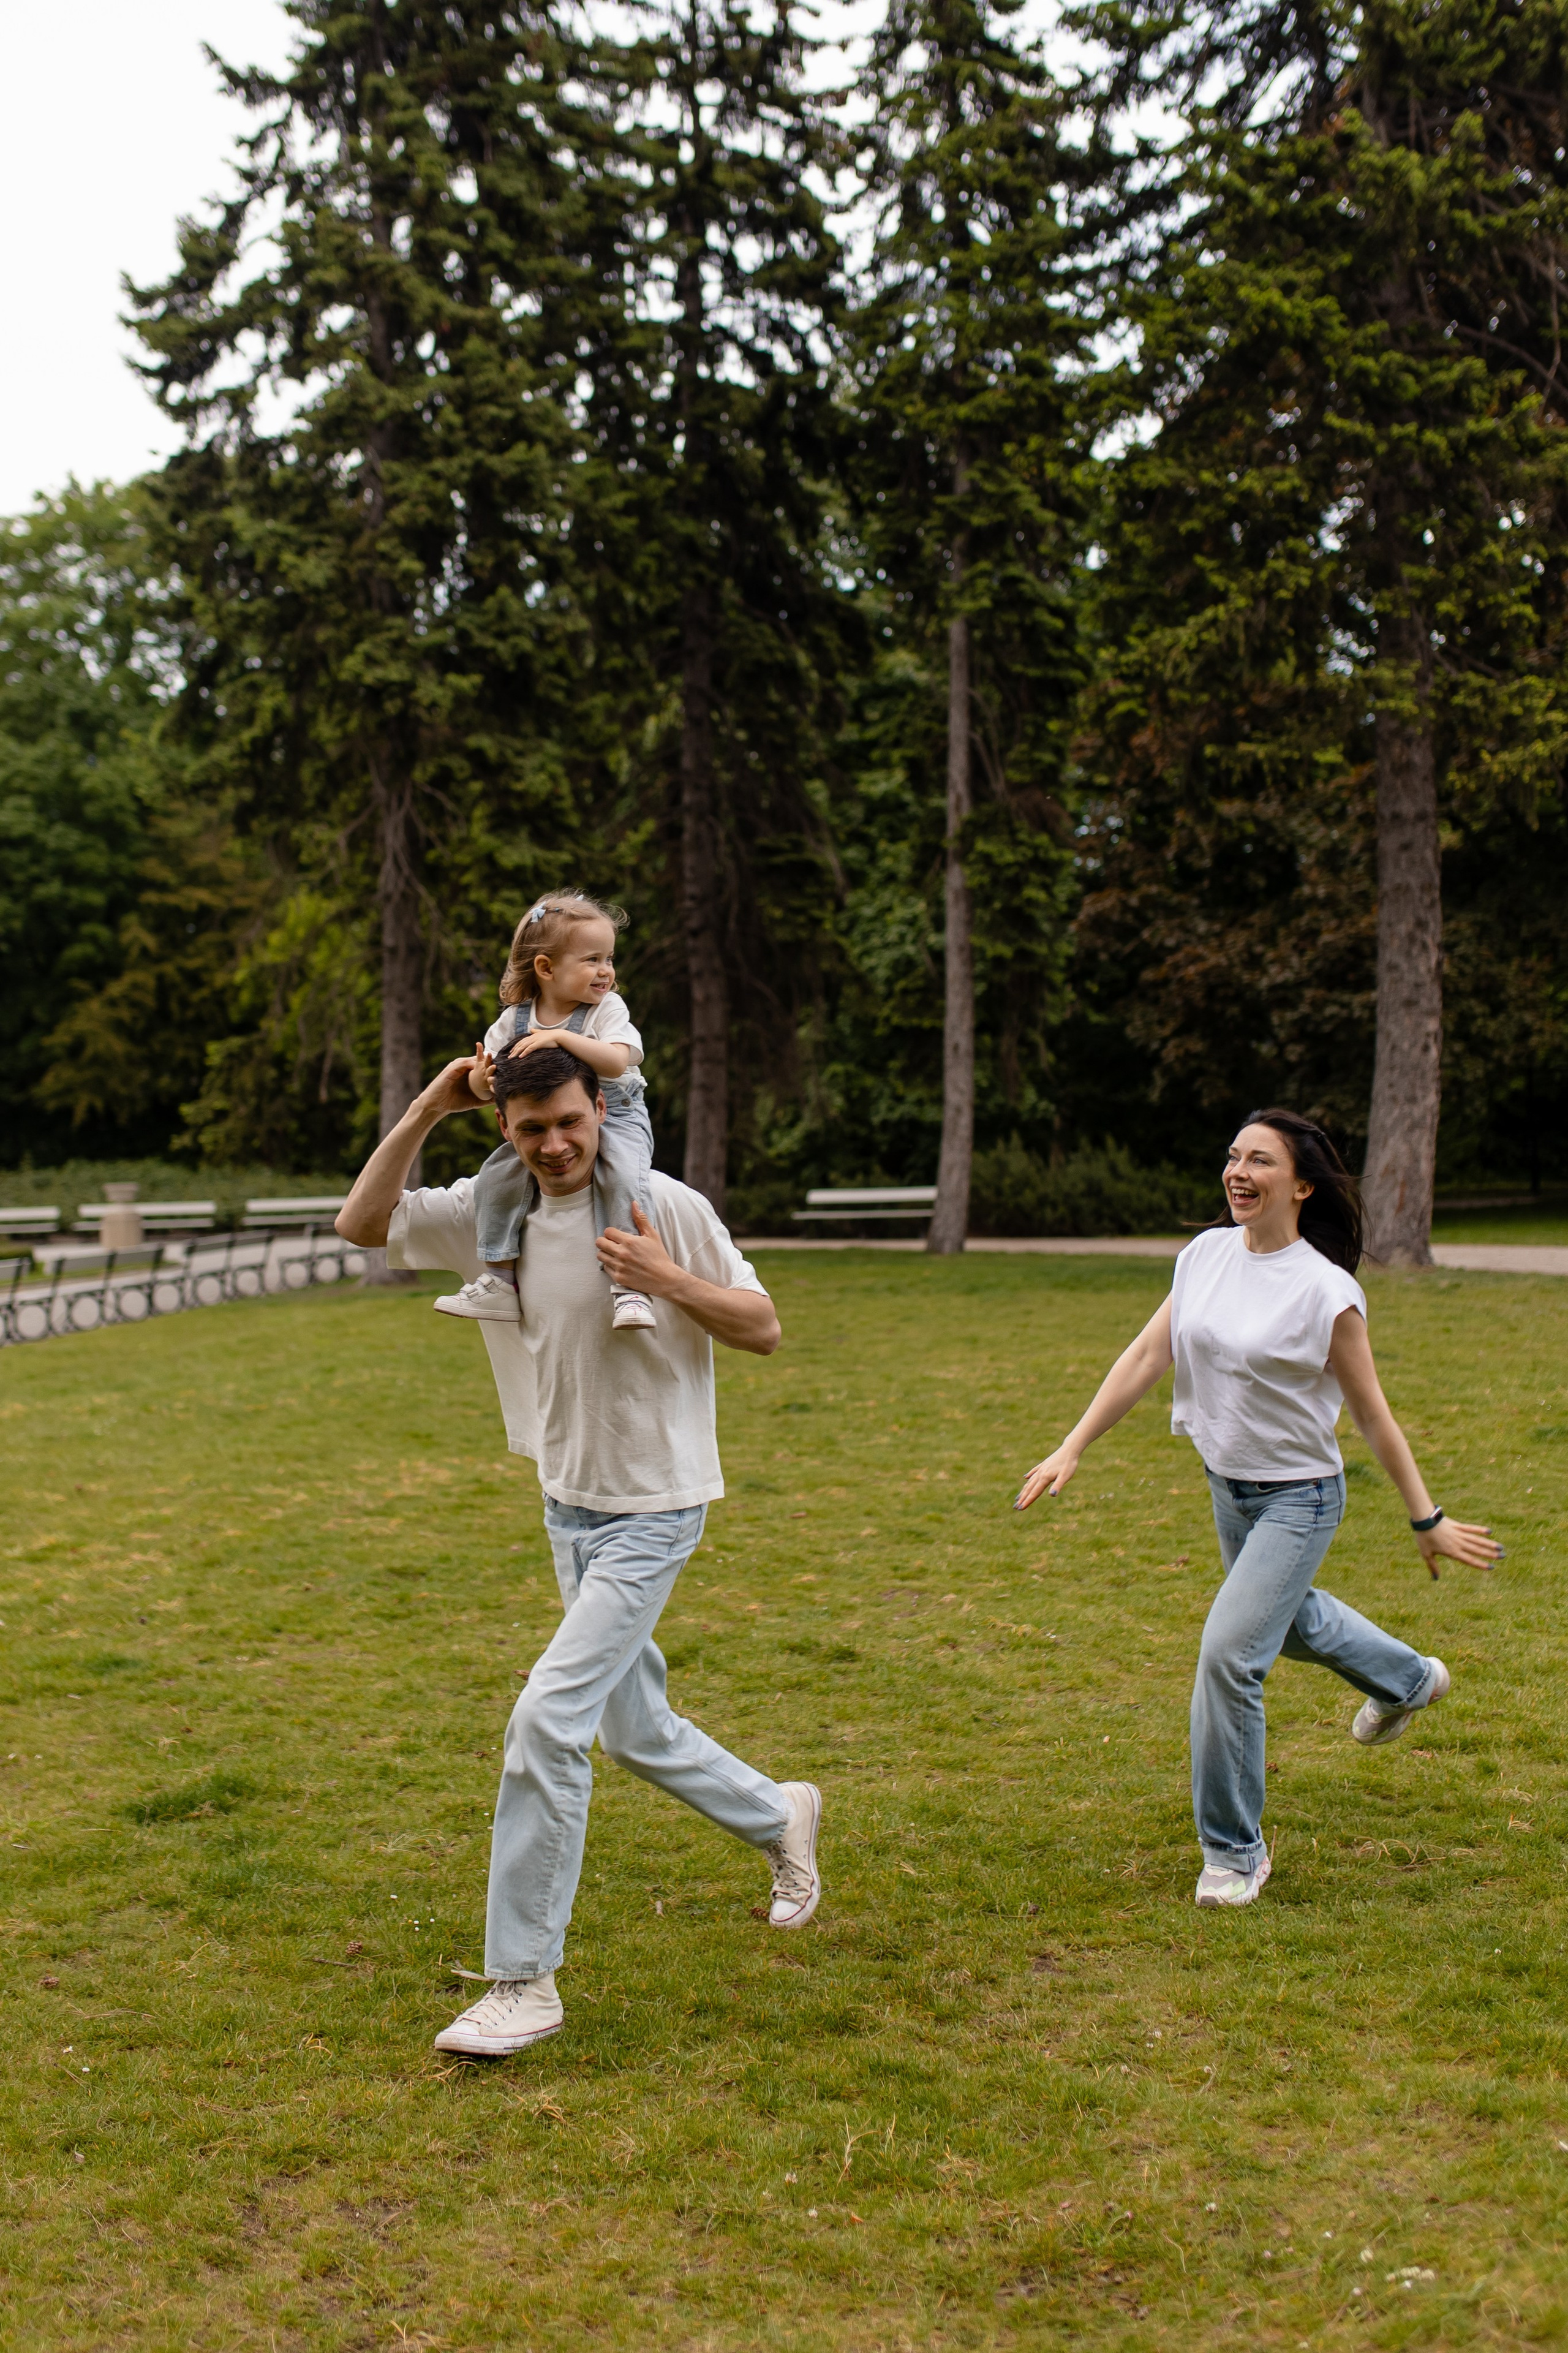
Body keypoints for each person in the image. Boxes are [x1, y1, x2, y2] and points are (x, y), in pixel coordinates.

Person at [335, 1043, 823, 2057]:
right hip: (569, 1508)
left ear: (598, 1105)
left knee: (547, 1718)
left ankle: (523, 1980)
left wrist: (666, 1278)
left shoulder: (663, 1205)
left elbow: (765, 1326)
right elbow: (361, 1223)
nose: (554, 1146)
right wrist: (432, 1099)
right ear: (507, 1131)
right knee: (632, 1730)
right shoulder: (490, 1215)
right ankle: (778, 1815)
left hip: (657, 1505)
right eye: (531, 1129)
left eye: (568, 1121)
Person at [1015, 1109, 1501, 1911]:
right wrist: (1074, 1444)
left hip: (1300, 1499)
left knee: (1229, 1655)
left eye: (1261, 1161)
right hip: (1227, 1487)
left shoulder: (1326, 1292)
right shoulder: (1204, 1255)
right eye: (1234, 1157)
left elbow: (1374, 1415)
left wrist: (1426, 1518)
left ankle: (1234, 1853)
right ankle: (1410, 1679)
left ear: (1302, 1185)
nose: (1238, 1172)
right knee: (1294, 1621)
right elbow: (1147, 1353)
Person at [438, 891, 658, 1332]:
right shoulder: (513, 1020)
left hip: (617, 1110)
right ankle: (501, 1277)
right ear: (546, 968)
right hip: (551, 1120)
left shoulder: (606, 1009)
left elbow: (618, 1061)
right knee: (496, 1176)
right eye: (593, 959)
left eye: (609, 958)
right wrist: (482, 1080)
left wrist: (560, 1039)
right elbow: (488, 1082)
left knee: (622, 1177)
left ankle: (631, 1287)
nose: (607, 971)